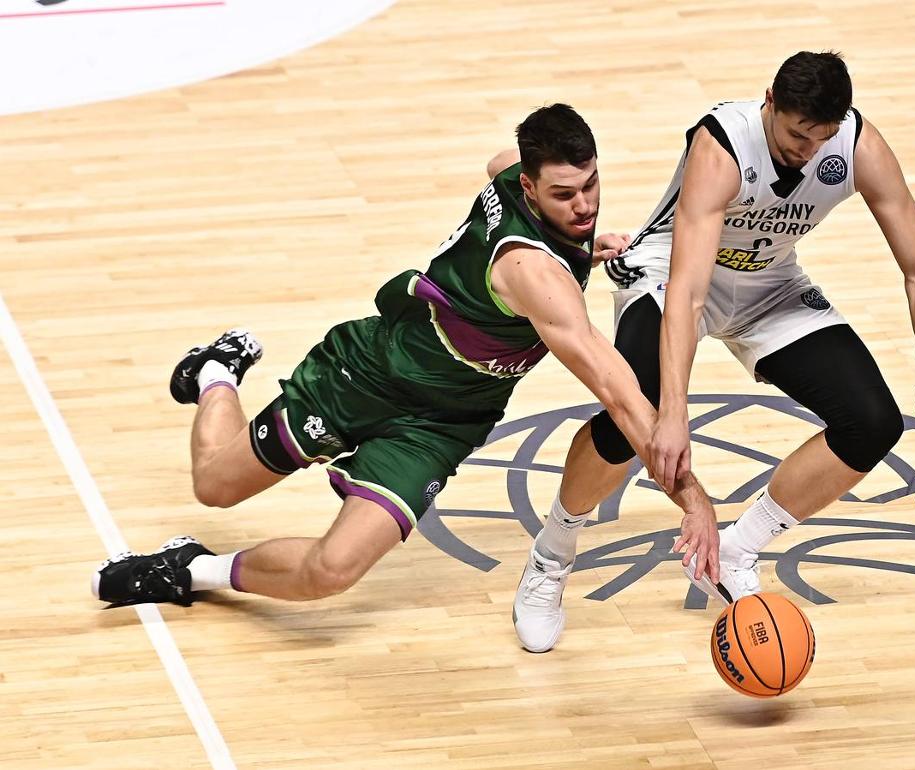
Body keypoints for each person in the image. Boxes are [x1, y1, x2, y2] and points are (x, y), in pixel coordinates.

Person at [92, 105, 721, 647]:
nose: (584, 206)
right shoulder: (535, 274)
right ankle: (216, 371)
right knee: (213, 486)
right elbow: (621, 394)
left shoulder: (517, 179)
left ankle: (188, 571)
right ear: (528, 188)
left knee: (332, 571)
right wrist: (693, 499)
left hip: (440, 425)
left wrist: (584, 243)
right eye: (564, 195)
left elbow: (497, 157)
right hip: (366, 375)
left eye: (590, 186)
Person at [512, 51, 915, 649]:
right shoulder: (723, 145)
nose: (807, 150)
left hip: (769, 284)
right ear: (769, 103)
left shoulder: (858, 146)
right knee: (634, 418)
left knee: (872, 422)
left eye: (821, 138)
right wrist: (673, 415)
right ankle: (552, 555)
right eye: (794, 135)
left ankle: (738, 548)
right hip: (669, 274)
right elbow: (687, 291)